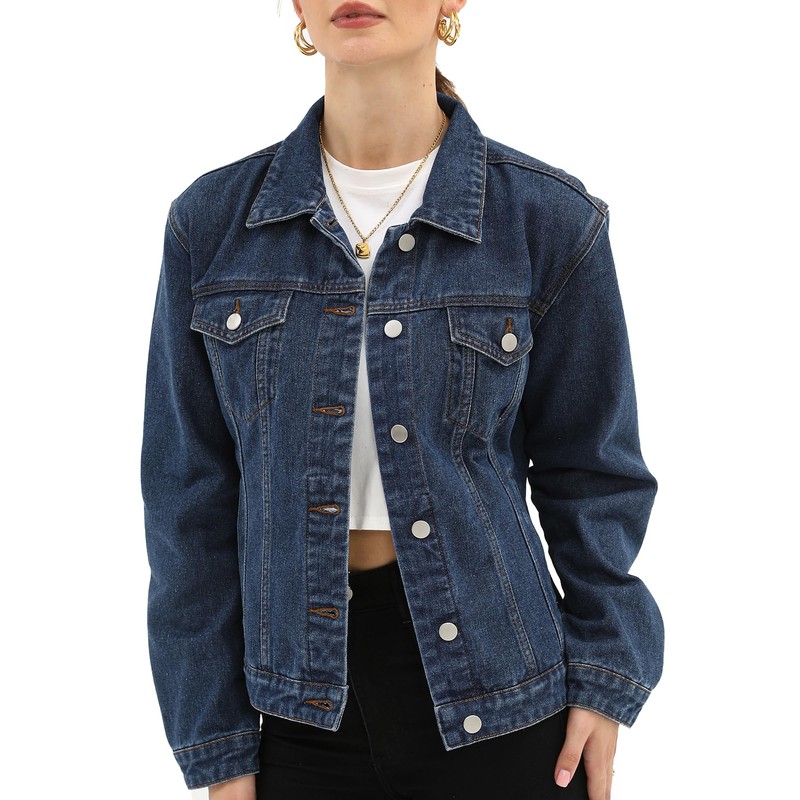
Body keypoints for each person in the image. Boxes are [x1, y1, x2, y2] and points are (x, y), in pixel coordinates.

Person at [140, 2, 664, 799]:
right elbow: (189, 504)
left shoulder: (547, 222)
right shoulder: (212, 226)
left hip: (503, 697)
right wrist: (216, 741)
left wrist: (604, 675)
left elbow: (594, 473)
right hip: (294, 712)